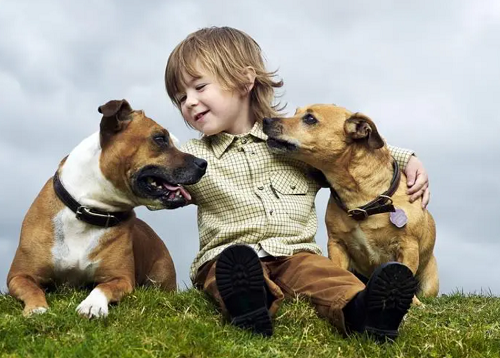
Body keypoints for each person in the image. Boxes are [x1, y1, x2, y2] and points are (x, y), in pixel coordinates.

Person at [163, 26, 430, 340]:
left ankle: (365, 312)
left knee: (327, 277)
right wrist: (165, 189)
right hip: (230, 254)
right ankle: (249, 307)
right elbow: (152, 169)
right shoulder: (191, 156)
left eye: (199, 87)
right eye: (181, 98)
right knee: (227, 272)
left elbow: (347, 153)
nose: (189, 103)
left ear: (245, 81)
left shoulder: (296, 147)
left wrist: (405, 157)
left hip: (296, 254)